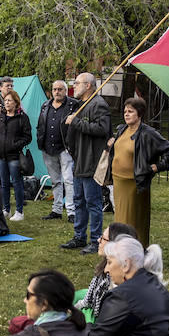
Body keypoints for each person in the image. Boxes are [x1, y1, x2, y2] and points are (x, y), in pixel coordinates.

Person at [105, 97, 169, 249]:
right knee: (120, 219)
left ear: (140, 113)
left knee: (133, 220)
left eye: (131, 111)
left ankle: (135, 250)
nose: (126, 114)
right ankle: (120, 250)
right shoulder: (122, 129)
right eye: (125, 111)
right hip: (118, 181)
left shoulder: (147, 133)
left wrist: (155, 167)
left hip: (134, 184)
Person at [64, 72, 111, 253]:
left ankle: (95, 239)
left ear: (89, 85)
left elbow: (102, 129)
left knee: (93, 202)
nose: (74, 86)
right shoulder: (81, 104)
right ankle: (79, 236)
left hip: (91, 161)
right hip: (79, 160)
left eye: (77, 83)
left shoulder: (99, 105)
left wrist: (76, 123)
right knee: (78, 201)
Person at [76, 223, 162, 316]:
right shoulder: (106, 274)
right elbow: (88, 300)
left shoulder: (121, 286)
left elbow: (107, 320)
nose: (98, 240)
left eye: (103, 239)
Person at [0, 89, 32, 222]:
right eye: (5, 100)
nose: (6, 103)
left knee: (17, 183)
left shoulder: (22, 117)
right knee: (4, 183)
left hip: (14, 156)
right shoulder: (0, 117)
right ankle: (6, 209)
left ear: (16, 102)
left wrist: (15, 145)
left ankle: (19, 211)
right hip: (0, 155)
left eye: (9, 101)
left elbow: (27, 137)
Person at [38, 80, 78, 224]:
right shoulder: (45, 105)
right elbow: (40, 124)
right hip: (48, 147)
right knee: (55, 181)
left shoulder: (73, 105)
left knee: (68, 180)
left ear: (65, 91)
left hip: (65, 148)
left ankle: (72, 211)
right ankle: (57, 210)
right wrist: (40, 140)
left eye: (60, 89)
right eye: (55, 89)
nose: (57, 92)